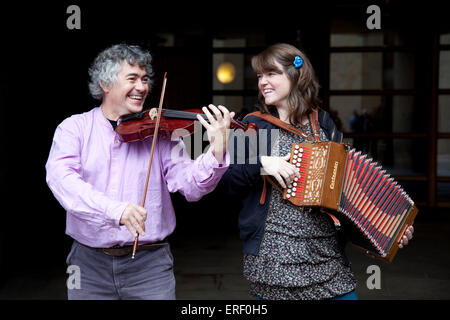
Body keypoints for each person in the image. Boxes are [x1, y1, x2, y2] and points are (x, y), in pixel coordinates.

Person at [218, 43, 414, 300]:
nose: (262, 82)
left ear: (295, 75)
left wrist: (389, 230)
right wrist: (263, 163)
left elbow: (348, 188)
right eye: (259, 76)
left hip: (327, 258)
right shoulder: (254, 126)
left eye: (271, 74)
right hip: (275, 261)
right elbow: (226, 184)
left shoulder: (322, 123)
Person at [45, 44, 234, 300]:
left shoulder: (161, 133)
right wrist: (116, 210)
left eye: (145, 79)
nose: (142, 87)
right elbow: (62, 179)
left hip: (150, 266)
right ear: (105, 83)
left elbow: (191, 187)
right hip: (87, 265)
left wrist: (216, 150)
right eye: (132, 78)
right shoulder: (73, 129)